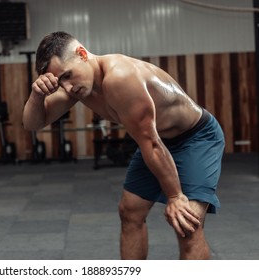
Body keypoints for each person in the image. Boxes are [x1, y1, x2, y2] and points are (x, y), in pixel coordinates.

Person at [22, 31, 225, 260]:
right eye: (60, 82)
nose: (67, 87)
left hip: (196, 137)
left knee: (187, 223)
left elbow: (151, 142)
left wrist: (176, 196)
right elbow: (33, 123)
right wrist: (37, 96)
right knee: (130, 212)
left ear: (82, 53)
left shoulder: (120, 76)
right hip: (158, 140)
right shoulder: (80, 87)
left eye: (68, 75)